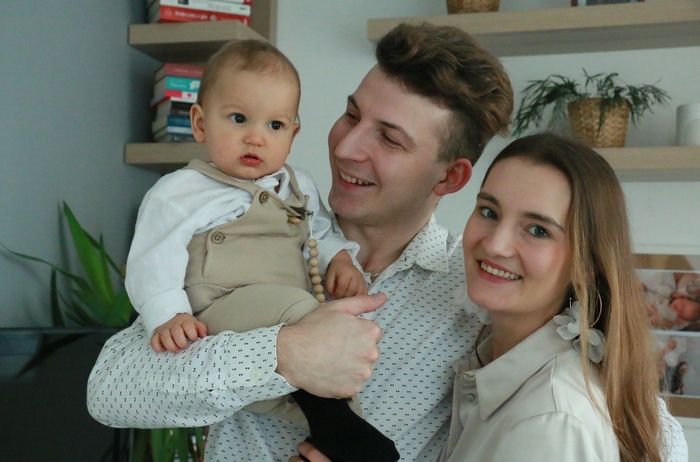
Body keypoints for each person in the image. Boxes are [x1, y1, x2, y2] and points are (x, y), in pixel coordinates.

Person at [87, 24, 686, 461]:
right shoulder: (251, 227)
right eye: (352, 115)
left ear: (450, 177)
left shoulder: (478, 289)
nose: (346, 147)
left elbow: (656, 438)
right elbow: (110, 392)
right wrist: (282, 355)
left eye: (389, 140)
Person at [124, 39, 397, 460]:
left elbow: (319, 229)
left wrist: (340, 257)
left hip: (277, 319)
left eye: (275, 125)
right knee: (314, 323)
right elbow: (152, 258)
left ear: (293, 134)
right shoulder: (180, 191)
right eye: (238, 119)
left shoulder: (298, 185)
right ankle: (337, 426)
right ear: (200, 123)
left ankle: (343, 443)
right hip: (221, 307)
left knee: (328, 366)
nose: (255, 137)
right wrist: (168, 315)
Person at [437, 133, 676, 461]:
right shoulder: (496, 365)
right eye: (489, 212)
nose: (495, 245)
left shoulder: (550, 422)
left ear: (588, 264)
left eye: (538, 230)